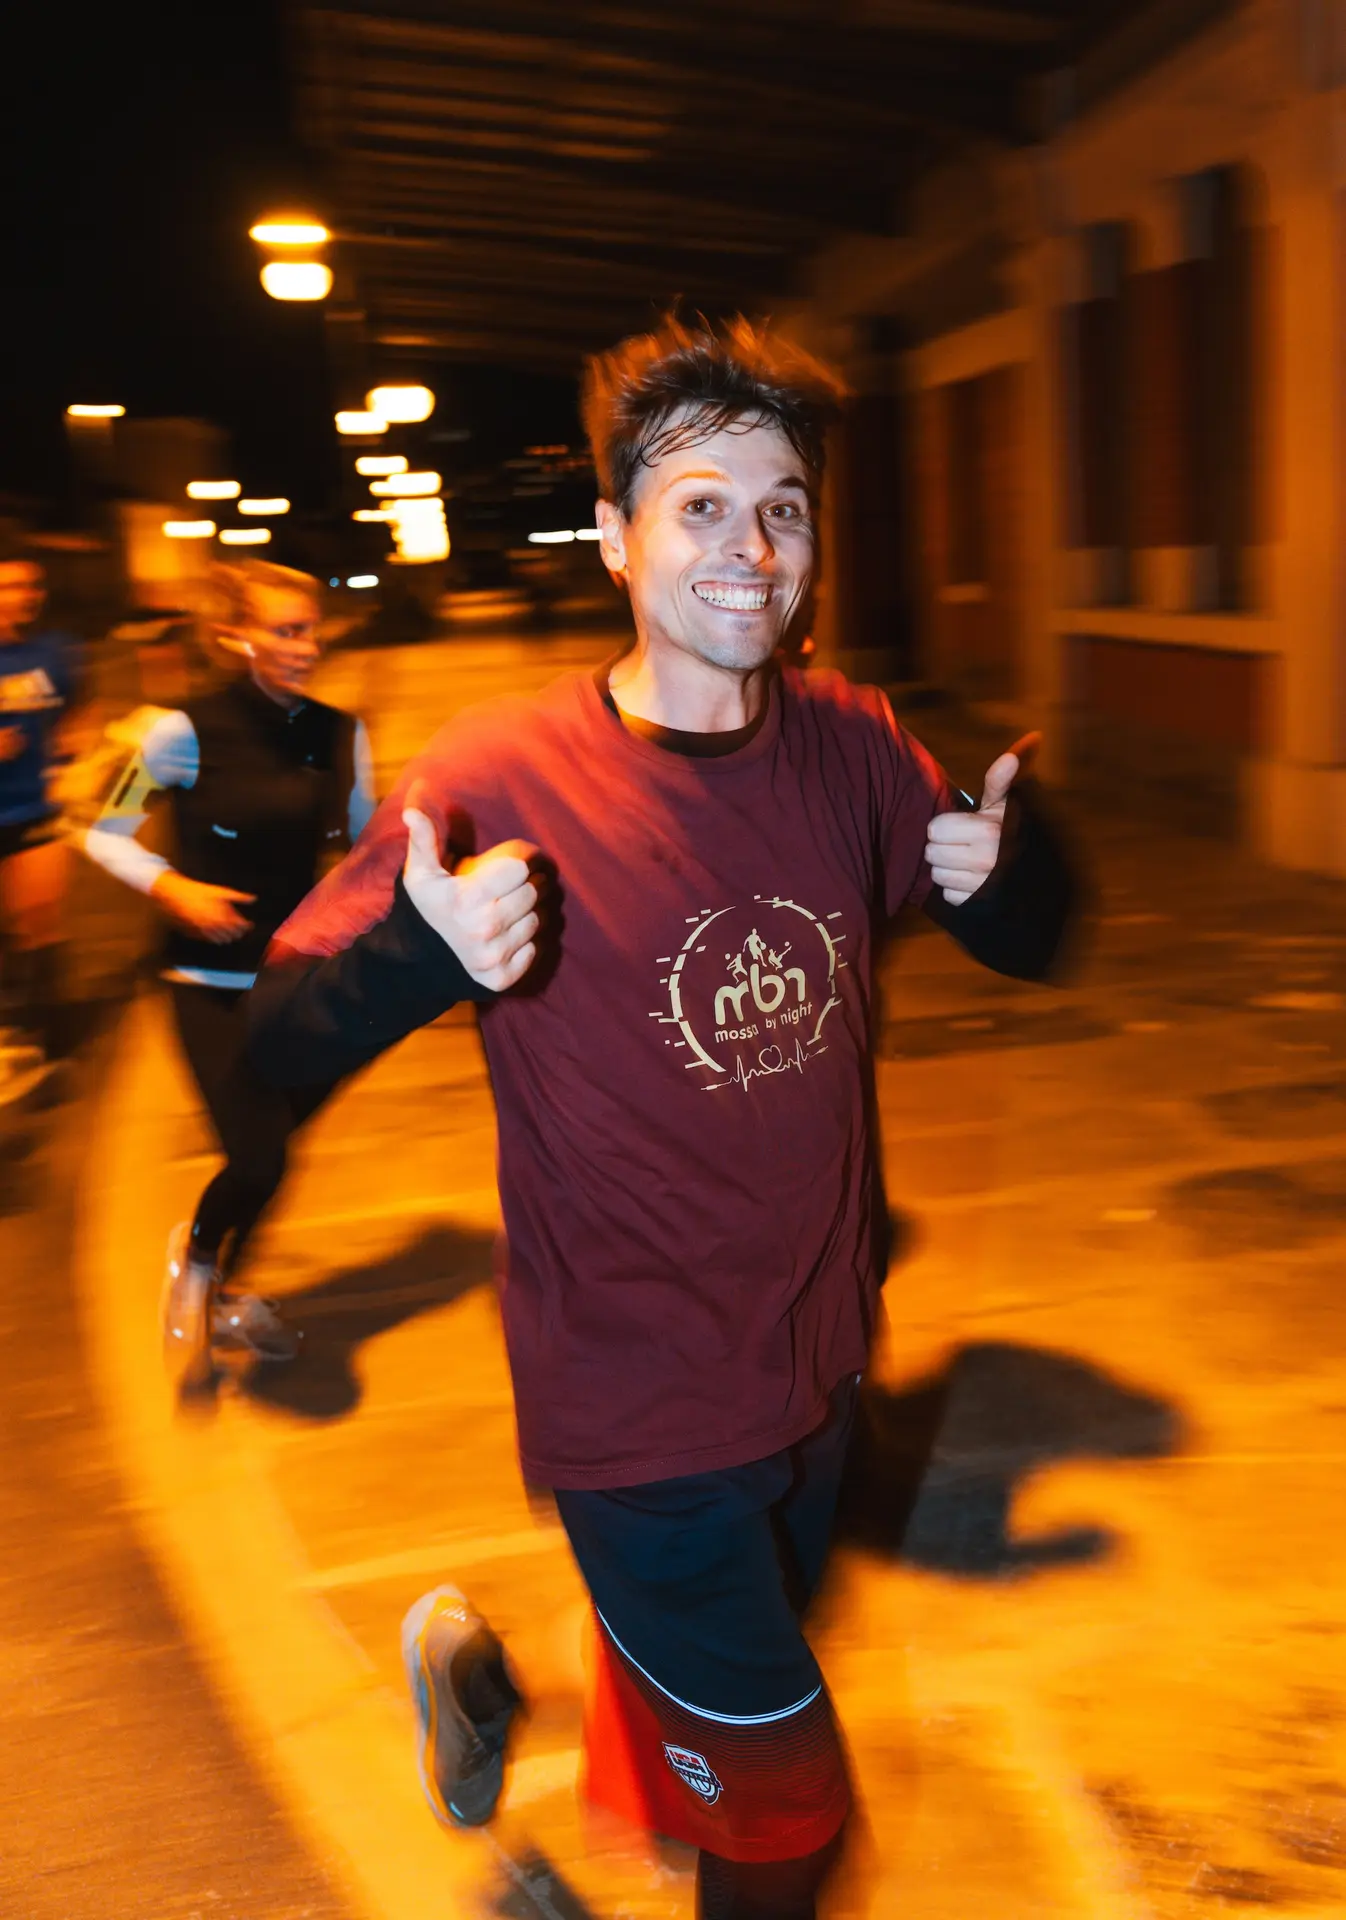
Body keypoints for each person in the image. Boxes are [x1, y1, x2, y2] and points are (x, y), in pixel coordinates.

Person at [249, 316, 1076, 1918]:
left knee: (736, 1699)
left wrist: (1010, 871)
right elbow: (274, 1043)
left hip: (817, 1371)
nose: (749, 550)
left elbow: (1037, 941)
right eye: (700, 507)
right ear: (617, 538)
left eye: (782, 508)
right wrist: (422, 953)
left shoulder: (850, 745)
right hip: (633, 1406)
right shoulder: (501, 772)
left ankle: (488, 1692)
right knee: (786, 1823)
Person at [85, 559, 375, 1387]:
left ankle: (224, 1286)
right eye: (285, 631)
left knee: (271, 1156)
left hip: (297, 985)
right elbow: (105, 833)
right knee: (258, 1160)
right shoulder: (178, 731)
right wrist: (171, 887)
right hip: (203, 985)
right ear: (235, 637)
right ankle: (201, 1267)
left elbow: (366, 854)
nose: (305, 646)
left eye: (311, 629)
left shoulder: (340, 733)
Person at [0, 541, 83, 1096]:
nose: (24, 596)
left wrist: (72, 751)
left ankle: (45, 1042)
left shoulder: (55, 651)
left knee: (40, 921)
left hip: (34, 809)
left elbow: (76, 710)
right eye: (9, 586)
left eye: (31, 585)